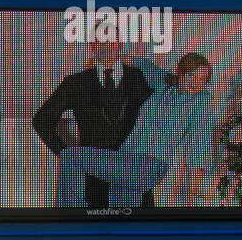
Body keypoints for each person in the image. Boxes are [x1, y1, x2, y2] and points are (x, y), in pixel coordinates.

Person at [54, 53, 213, 208]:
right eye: (192, 75)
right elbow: (139, 63)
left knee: (71, 157)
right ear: (180, 72)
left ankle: (70, 220)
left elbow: (199, 141)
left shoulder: (201, 101)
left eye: (202, 80)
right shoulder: (163, 83)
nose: (196, 83)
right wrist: (101, 61)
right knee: (122, 219)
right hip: (126, 158)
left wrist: (193, 183)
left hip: (149, 164)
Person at [32, 34, 156, 208]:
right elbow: (41, 120)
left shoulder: (141, 77)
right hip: (92, 182)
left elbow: (165, 108)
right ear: (92, 46)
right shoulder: (75, 82)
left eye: (112, 40)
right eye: (100, 41)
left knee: (139, 232)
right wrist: (68, 157)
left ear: (121, 44)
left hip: (132, 176)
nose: (106, 46)